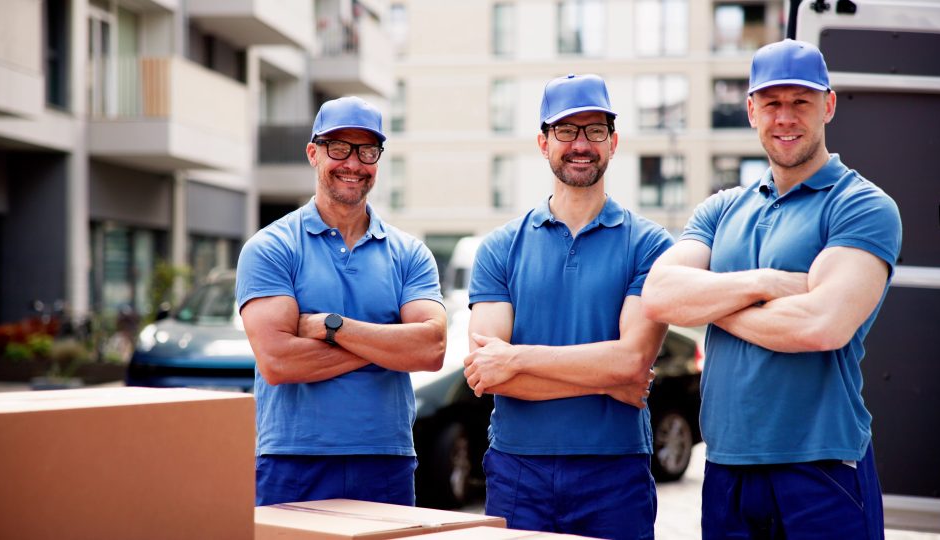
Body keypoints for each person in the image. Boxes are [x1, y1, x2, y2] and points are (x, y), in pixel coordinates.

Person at [640, 39, 901, 539]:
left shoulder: (861, 206)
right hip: (727, 469)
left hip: (821, 466)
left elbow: (821, 324)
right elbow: (659, 295)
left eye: (800, 102)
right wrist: (763, 283)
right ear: (751, 111)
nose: (785, 117)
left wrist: (711, 303)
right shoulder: (721, 209)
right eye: (772, 103)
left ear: (828, 105)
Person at [462, 74, 674, 540]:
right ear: (543, 143)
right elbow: (486, 372)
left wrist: (517, 359)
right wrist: (605, 377)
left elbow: (633, 360)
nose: (582, 144)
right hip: (519, 469)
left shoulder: (651, 244)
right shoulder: (499, 248)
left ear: (613, 142)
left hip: (615, 472)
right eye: (566, 131)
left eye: (594, 131)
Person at [236, 96, 447, 507]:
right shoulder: (271, 247)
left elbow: (431, 349)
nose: (353, 162)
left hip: (387, 458)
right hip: (293, 459)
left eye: (367, 150)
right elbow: (279, 363)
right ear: (313, 153)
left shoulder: (409, 253)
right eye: (339, 148)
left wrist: (332, 327)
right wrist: (391, 347)